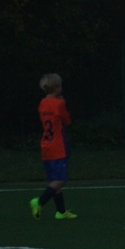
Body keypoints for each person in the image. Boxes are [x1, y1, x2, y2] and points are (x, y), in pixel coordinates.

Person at [29, 73, 77, 220]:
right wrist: (63, 103)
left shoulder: (42, 103)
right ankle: (39, 202)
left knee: (54, 180)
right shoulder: (58, 104)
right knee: (60, 180)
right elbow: (67, 121)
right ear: (56, 88)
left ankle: (60, 211)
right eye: (60, 86)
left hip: (46, 146)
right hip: (58, 147)